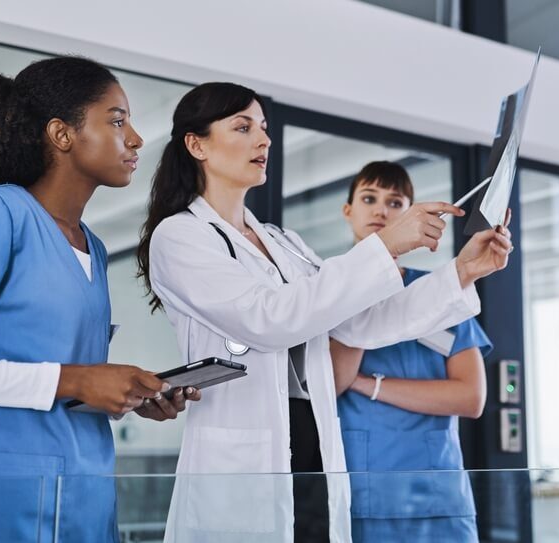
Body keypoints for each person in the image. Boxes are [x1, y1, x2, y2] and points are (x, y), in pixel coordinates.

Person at [136, 82, 512, 543]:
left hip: (312, 451)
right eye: (243, 126)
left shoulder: (284, 242)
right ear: (197, 145)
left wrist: (461, 272)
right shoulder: (180, 237)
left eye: (265, 128)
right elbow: (267, 319)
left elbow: (363, 323)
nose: (264, 140)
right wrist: (387, 244)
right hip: (246, 458)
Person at [0, 56, 199, 543]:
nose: (135, 138)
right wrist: (78, 378)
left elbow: (60, 383)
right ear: (62, 133)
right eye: (117, 120)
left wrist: (127, 395)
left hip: (79, 500)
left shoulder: (90, 245)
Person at [331, 161, 494, 542]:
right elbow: (332, 382)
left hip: (440, 497)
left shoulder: (442, 293)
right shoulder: (327, 291)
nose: (380, 211)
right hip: (367, 495)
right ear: (348, 210)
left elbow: (471, 397)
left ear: (410, 215)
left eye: (395, 202)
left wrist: (368, 384)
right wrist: (365, 283)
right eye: (369, 198)